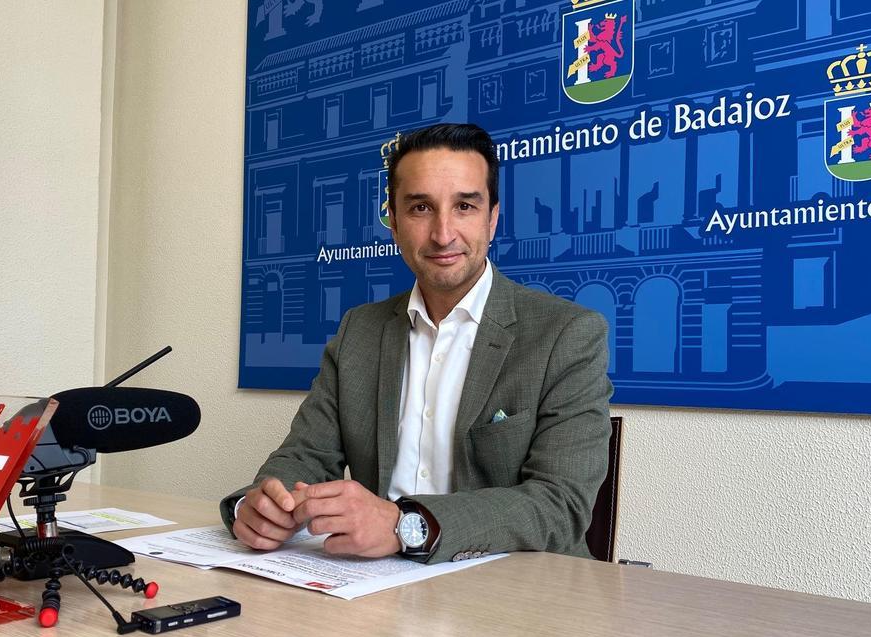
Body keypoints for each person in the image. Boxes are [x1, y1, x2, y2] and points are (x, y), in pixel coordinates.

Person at [221, 123, 612, 562]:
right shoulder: (359, 331)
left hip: (518, 599)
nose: (443, 234)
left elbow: (561, 505)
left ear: (493, 219)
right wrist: (261, 506)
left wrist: (404, 525)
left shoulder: (567, 334)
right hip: (375, 590)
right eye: (421, 208)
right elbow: (306, 456)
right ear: (393, 221)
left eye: (464, 206)